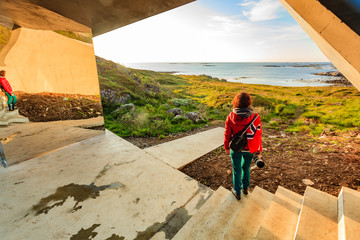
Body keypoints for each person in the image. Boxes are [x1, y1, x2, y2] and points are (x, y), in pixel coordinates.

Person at [224, 92, 262, 200]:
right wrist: (259, 149)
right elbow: (258, 134)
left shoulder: (231, 116)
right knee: (246, 168)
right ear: (249, 103)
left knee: (237, 170)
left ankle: (237, 191)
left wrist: (226, 147)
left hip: (236, 148)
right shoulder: (255, 117)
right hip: (250, 149)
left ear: (235, 103)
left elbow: (227, 134)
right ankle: (245, 189)